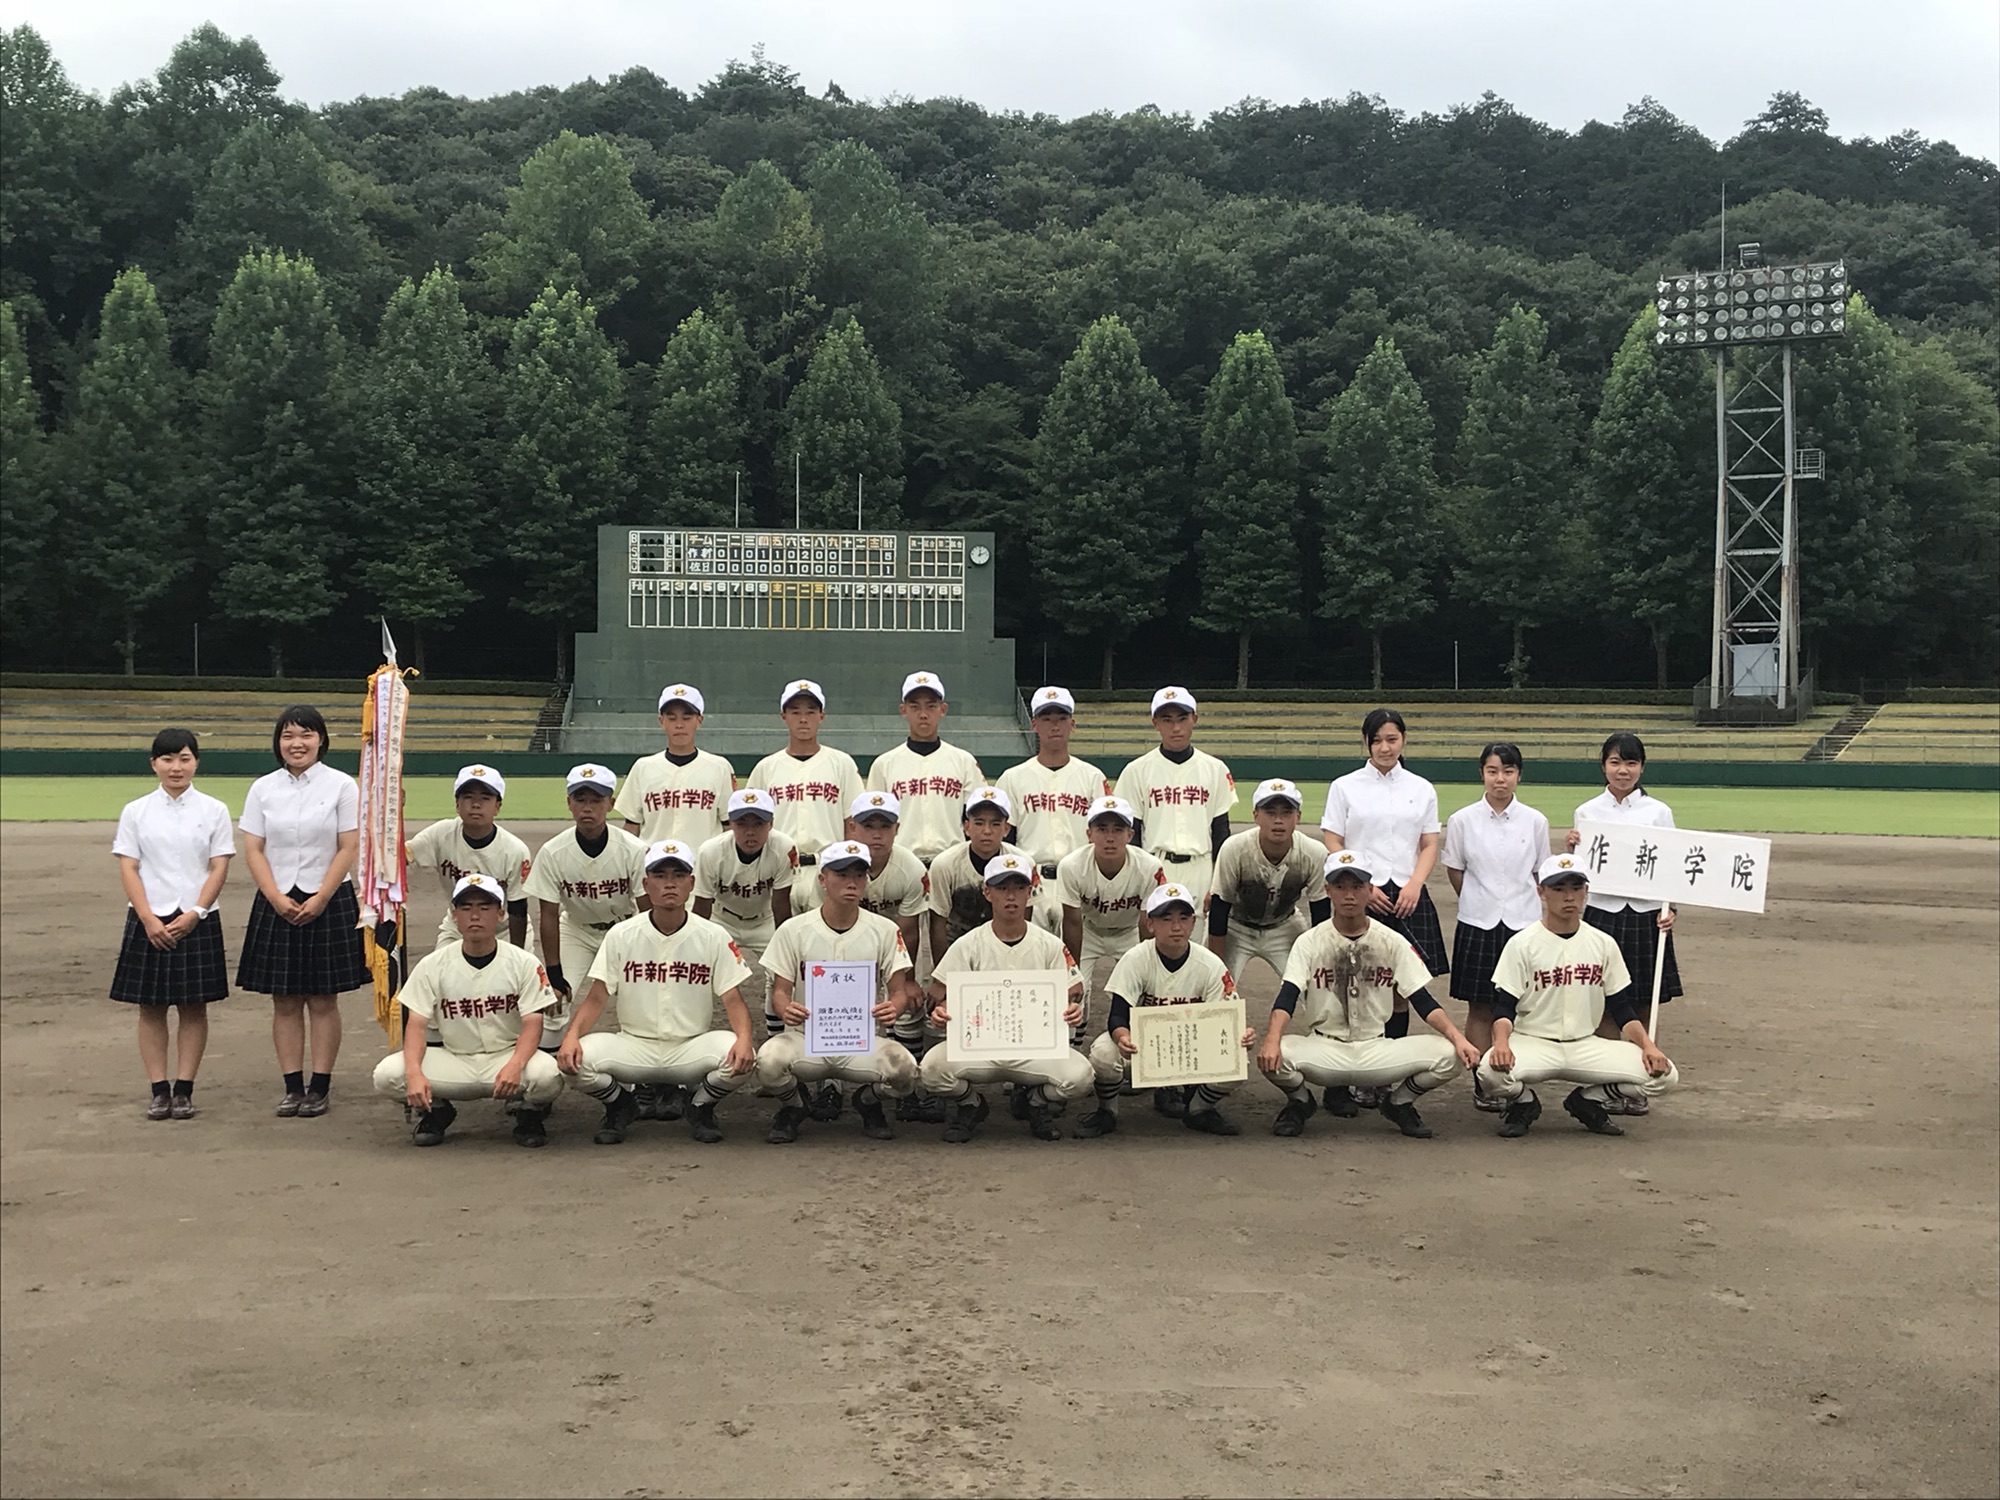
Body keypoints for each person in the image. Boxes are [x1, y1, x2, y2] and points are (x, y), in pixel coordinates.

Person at [1256, 850, 1481, 1139]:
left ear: (1370, 890)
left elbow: (1422, 1001)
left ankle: (1399, 1103)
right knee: (1273, 1055)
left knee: (1451, 1054)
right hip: (1324, 1051)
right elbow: (1287, 996)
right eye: (1340, 886)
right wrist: (1272, 1040)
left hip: (1377, 1051)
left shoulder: (1391, 941)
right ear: (1328, 891)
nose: (1349, 895)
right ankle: (1300, 1101)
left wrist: (1458, 1037)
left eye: (1357, 886)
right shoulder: (1309, 942)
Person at [557, 840, 758, 1145]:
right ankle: (619, 1104)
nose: (669, 884)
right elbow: (597, 997)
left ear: (691, 884)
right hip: (634, 1045)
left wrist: (744, 1039)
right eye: (660, 875)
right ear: (646, 884)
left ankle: (700, 1105)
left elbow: (733, 1000)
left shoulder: (713, 935)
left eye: (678, 876)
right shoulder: (621, 935)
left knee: (744, 1057)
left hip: (691, 1046)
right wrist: (571, 1036)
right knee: (574, 1063)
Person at [1476, 853, 1679, 1138]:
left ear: (1586, 892)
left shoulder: (1603, 943)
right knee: (1489, 1072)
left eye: (1576, 888)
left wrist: (1648, 1046)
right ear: (1542, 892)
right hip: (1533, 1043)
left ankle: (1588, 1100)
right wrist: (1500, 1043)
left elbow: (1622, 1010)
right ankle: (1524, 1103)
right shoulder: (1522, 944)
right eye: (1559, 889)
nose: (1569, 897)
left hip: (1586, 1045)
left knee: (1665, 1075)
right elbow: (1504, 1008)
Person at [237, 705, 369, 1118]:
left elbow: (348, 845)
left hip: (327, 899)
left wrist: (322, 897)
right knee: (285, 1000)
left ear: (321, 740)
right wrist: (275, 896)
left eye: (306, 735)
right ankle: (292, 1087)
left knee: (323, 998)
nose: (297, 744)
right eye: (289, 736)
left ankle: (320, 1086)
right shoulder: (263, 788)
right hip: (277, 899)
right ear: (278, 742)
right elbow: (253, 848)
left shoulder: (341, 786)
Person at [370, 875, 565, 1148]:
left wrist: (516, 1064)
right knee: (388, 1075)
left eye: (484, 908)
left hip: (505, 1058)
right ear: (454, 916)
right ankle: (437, 1110)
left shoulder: (523, 963)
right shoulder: (432, 965)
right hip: (454, 1059)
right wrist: (414, 1073)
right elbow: (416, 1025)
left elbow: (533, 1023)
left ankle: (528, 1113)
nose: (475, 916)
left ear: (500, 914)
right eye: (466, 908)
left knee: (548, 1076)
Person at [1318, 708, 1445, 1106]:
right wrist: (1359, 878)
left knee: (1401, 987)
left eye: (1392, 739)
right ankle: (1339, 1081)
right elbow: (1332, 838)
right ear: (1367, 743)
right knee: (1347, 983)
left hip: (1406, 895)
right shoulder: (1345, 786)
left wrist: (1416, 884)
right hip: (1359, 893)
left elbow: (1428, 843)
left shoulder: (1422, 788)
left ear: (1404, 740)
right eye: (1377, 740)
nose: (1385, 747)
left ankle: (1382, 1075)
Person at [754, 840, 922, 1143]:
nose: (852, 882)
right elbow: (780, 991)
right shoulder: (794, 929)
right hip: (805, 1038)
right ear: (822, 879)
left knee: (906, 1072)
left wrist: (894, 1007)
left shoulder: (885, 930)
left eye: (859, 875)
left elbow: (898, 991)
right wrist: (785, 1008)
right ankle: (794, 1105)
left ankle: (868, 1101)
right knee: (767, 1063)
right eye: (842, 874)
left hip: (862, 1039)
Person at [920, 855, 1092, 1143]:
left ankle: (1036, 1102)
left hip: (1033, 1049)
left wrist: (1071, 1007)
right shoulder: (968, 944)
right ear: (987, 892)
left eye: (1018, 887)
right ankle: (971, 1104)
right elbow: (937, 994)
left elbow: (1074, 988)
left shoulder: (1050, 944)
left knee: (1081, 1076)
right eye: (1001, 888)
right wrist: (942, 1010)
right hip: (979, 1049)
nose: (1010, 896)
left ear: (1030, 892)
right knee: (931, 1070)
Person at [110, 728, 235, 1120]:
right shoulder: (136, 811)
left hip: (196, 918)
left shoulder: (213, 810)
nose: (176, 767)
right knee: (150, 1007)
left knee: (194, 1006)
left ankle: (184, 1089)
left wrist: (196, 911)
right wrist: (147, 917)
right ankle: (158, 1089)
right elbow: (128, 866)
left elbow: (219, 866)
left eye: (184, 758)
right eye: (167, 759)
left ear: (196, 762)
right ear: (154, 764)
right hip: (149, 917)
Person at [1563, 731, 1682, 1117]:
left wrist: (1671, 908)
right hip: (1602, 912)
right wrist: (1571, 849)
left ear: (1642, 767)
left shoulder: (1658, 812)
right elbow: (1579, 871)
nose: (1623, 770)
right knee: (1604, 1003)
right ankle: (1606, 1081)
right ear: (1603, 765)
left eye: (1630, 763)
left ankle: (1637, 1082)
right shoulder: (1587, 811)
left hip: (1646, 915)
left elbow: (1672, 865)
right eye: (1615, 762)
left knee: (1644, 1001)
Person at [1075, 883, 1251, 1138]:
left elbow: (1226, 1018)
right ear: (1151, 924)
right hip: (1141, 1046)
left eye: (1183, 918)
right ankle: (1107, 1111)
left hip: (1191, 1044)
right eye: (1166, 919)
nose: (1176, 926)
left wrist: (1242, 1034)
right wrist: (1122, 1037)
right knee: (1103, 1054)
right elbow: (1117, 1016)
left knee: (1238, 1057)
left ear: (1193, 923)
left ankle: (1199, 1109)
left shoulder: (1211, 965)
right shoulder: (1136, 958)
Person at [795, 791, 931, 1115]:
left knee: (905, 1002)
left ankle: (902, 1086)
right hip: (835, 936)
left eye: (885, 826)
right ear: (851, 827)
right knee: (821, 1000)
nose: (876, 833)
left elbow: (908, 930)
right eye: (868, 825)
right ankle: (829, 1083)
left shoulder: (910, 869)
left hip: (887, 938)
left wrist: (907, 978)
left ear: (897, 829)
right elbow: (820, 930)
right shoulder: (832, 866)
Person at [1441, 743, 1550, 1112]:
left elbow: (1541, 872)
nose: (1499, 779)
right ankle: (1484, 1082)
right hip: (1479, 921)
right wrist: (1479, 898)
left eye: (1507, 771)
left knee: (1520, 1007)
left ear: (1519, 775)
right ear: (1482, 774)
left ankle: (1513, 1078)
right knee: (1481, 1007)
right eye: (1492, 771)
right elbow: (1456, 870)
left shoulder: (1535, 821)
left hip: (1523, 922)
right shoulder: (1462, 820)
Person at [522, 763, 650, 1059]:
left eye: (596, 800)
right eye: (580, 800)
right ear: (569, 803)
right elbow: (549, 915)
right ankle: (546, 1082)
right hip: (576, 930)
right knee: (552, 1005)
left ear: (611, 804)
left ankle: (640, 1079)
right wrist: (554, 974)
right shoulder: (554, 852)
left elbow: (646, 912)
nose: (588, 808)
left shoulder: (633, 849)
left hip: (624, 931)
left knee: (639, 1005)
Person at [996, 686, 1110, 929]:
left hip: (1078, 881)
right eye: (1046, 719)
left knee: (1074, 962)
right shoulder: (1013, 778)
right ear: (1034, 724)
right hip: (1030, 881)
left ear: (1072, 724)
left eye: (1061, 719)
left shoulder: (1091, 777)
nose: (1054, 726)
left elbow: (1104, 836)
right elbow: (1007, 839)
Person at [693, 788, 797, 1049]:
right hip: (722, 920)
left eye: (759, 824)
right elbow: (702, 905)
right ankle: (691, 1036)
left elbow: (781, 902)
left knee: (781, 973)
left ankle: (777, 1043)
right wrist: (694, 947)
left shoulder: (783, 848)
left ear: (771, 824)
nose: (750, 832)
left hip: (765, 919)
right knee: (697, 974)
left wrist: (784, 948)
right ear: (730, 824)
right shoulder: (710, 852)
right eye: (742, 824)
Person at [1054, 795, 1164, 1042]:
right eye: (1102, 829)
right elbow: (1071, 921)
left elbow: (1149, 922)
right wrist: (1073, 972)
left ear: (1130, 834)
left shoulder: (1149, 866)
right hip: (1089, 929)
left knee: (1140, 988)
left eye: (1118, 829)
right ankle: (1072, 1044)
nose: (1110, 837)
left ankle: (1142, 1044)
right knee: (1074, 992)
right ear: (1089, 834)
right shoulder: (1071, 866)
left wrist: (1147, 963)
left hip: (1130, 931)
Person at [1113, 686, 1236, 904]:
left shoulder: (1215, 769)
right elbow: (1133, 834)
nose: (1176, 727)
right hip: (1156, 864)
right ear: (1155, 723)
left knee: (1198, 935)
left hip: (1201, 867)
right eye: (1167, 720)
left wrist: (1218, 883)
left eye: (1182, 718)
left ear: (1194, 719)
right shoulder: (1136, 770)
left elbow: (1221, 831)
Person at [746, 679, 865, 900]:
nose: (803, 719)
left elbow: (853, 825)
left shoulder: (841, 763)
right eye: (795, 712)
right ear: (783, 716)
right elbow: (749, 824)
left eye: (810, 712)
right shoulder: (766, 768)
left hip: (828, 867)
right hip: (779, 870)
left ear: (822, 716)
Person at [1206, 777, 1328, 989]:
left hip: (1285, 924)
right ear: (1256, 816)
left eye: (1286, 813)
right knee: (1215, 987)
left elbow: (1321, 914)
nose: (1278, 820)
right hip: (1236, 926)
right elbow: (1218, 910)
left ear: (1298, 817)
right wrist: (1218, 968)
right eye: (1270, 812)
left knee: (1315, 985)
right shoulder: (1235, 849)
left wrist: (1318, 963)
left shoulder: (1314, 853)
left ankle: (1322, 1023)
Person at [406, 764, 532, 950]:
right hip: (457, 927)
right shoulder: (440, 834)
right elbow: (400, 858)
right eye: (468, 797)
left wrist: (517, 955)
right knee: (440, 973)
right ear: (457, 804)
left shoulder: (514, 850)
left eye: (485, 798)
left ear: (497, 806)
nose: (476, 804)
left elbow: (518, 909)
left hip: (504, 930)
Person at [865, 671, 984, 867]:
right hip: (901, 863)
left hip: (952, 863)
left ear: (943, 709)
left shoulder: (964, 761)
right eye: (915, 706)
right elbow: (872, 822)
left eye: (931, 706)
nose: (923, 714)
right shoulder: (884, 764)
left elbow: (978, 818)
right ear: (903, 710)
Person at [615, 683, 736, 848]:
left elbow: (729, 827)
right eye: (672, 718)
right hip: (653, 868)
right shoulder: (643, 767)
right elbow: (632, 826)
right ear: (661, 721)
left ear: (699, 720)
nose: (679, 725)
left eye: (687, 718)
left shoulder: (720, 768)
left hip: (702, 868)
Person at [926, 785, 1031, 963]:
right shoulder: (944, 864)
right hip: (957, 948)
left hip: (1003, 946)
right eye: (979, 823)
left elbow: (1025, 917)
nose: (987, 831)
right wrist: (942, 973)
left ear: (1006, 829)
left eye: (996, 824)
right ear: (967, 827)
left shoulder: (1024, 862)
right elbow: (938, 923)